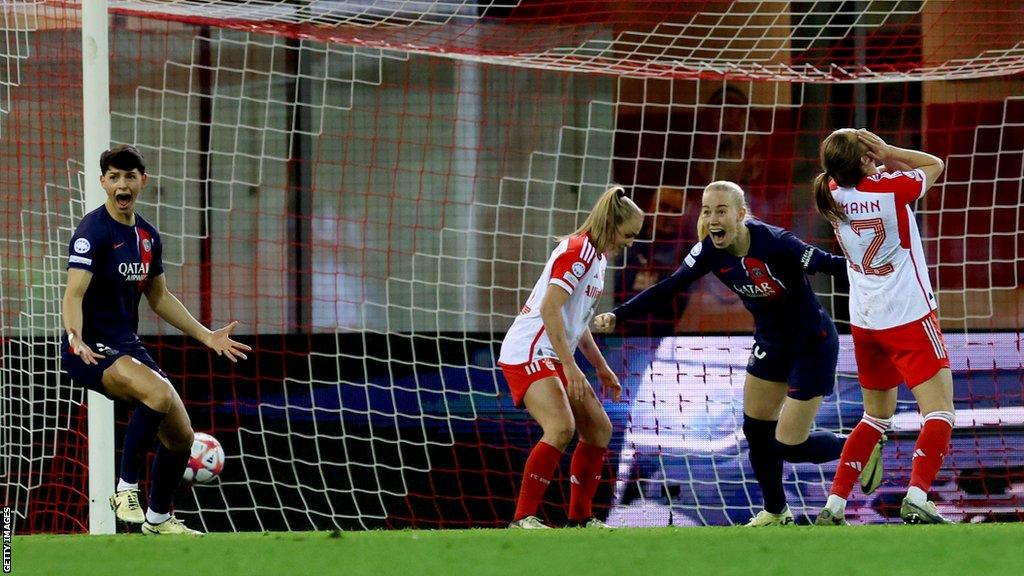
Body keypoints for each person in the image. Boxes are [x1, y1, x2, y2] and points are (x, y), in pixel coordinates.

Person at [593, 180, 882, 526]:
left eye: (721, 210)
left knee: (789, 444)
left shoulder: (776, 242)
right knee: (756, 431)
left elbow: (830, 264)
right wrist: (618, 314)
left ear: (740, 214)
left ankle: (861, 446)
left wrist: (881, 274)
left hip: (812, 345)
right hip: (771, 345)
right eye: (706, 210)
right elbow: (668, 287)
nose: (712, 218)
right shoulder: (709, 251)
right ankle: (776, 512)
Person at [62, 144, 251, 535]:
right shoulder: (92, 232)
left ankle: (159, 519)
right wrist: (74, 336)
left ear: (142, 182)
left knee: (181, 436)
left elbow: (159, 296)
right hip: (89, 349)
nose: (122, 183)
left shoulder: (147, 236)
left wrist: (205, 335)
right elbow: (74, 294)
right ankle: (125, 489)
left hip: (126, 346)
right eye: (113, 176)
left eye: (130, 176)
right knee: (160, 395)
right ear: (103, 183)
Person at [813, 129, 953, 525]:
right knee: (940, 412)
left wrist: (865, 157)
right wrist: (890, 151)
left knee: (874, 417)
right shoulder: (891, 190)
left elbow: (838, 174)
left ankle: (835, 504)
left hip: (864, 319)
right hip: (908, 315)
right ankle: (918, 495)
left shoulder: (828, 191)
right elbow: (934, 165)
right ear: (862, 160)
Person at [497, 185, 643, 529]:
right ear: (611, 225)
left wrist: (602, 368)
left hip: (554, 351)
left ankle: (581, 519)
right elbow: (549, 309)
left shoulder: (598, 259)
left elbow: (575, 322)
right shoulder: (578, 252)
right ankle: (523, 518)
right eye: (629, 234)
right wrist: (571, 366)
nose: (630, 242)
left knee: (599, 430)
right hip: (528, 350)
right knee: (561, 427)